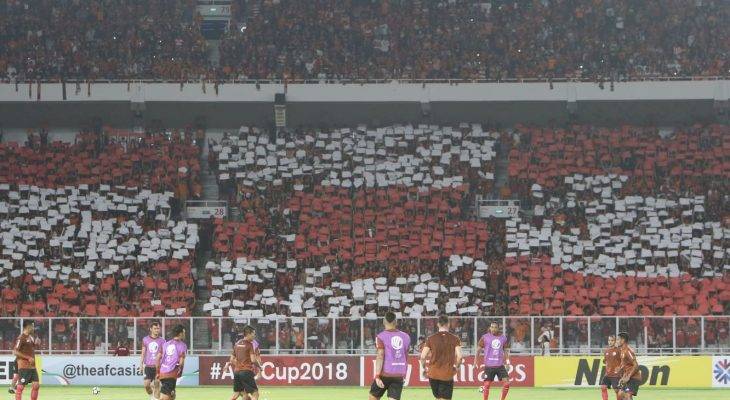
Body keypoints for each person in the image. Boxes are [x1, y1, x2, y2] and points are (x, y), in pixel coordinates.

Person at [369, 311, 411, 400]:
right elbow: (406, 356)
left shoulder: (380, 336)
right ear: (396, 322)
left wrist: (377, 375)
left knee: (373, 397)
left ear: (384, 322)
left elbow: (380, 356)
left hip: (384, 374)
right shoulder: (406, 337)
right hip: (399, 374)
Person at [420, 315, 462, 400]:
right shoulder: (455, 339)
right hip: (447, 374)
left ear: (438, 324)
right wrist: (457, 367)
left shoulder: (430, 339)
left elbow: (423, 356)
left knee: (438, 397)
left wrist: (424, 368)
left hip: (433, 374)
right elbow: (460, 357)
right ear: (448, 324)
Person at [474, 321, 510, 400]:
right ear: (490, 328)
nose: (493, 329)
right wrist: (475, 361)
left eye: (495, 327)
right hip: (489, 366)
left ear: (498, 328)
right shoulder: (485, 337)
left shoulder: (503, 338)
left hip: (500, 366)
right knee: (486, 385)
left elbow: (506, 350)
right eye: (492, 327)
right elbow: (478, 350)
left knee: (507, 384)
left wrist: (507, 362)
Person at [224, 325, 260, 400]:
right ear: (248, 334)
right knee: (255, 394)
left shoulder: (237, 344)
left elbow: (231, 359)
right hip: (246, 371)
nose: (254, 336)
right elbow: (253, 360)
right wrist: (260, 367)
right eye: (253, 334)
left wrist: (238, 365)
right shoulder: (249, 344)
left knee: (237, 394)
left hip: (237, 372)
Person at [157, 325, 187, 400]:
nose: (184, 334)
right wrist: (180, 371)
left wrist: (158, 372)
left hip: (162, 373)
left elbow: (157, 358)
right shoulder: (183, 345)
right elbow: (181, 361)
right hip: (171, 373)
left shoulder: (165, 344)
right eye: (184, 332)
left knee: (172, 395)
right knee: (165, 398)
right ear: (180, 334)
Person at [12, 320, 40, 400]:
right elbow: (15, 351)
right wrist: (28, 358)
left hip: (32, 366)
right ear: (28, 326)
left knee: (36, 385)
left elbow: (29, 349)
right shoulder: (21, 338)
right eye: (32, 326)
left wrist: (36, 344)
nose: (33, 328)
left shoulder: (30, 337)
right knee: (20, 387)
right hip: (24, 366)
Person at [141, 322, 166, 400]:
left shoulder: (163, 340)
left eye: (158, 328)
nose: (157, 330)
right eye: (155, 328)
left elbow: (165, 354)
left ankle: (156, 399)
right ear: (151, 329)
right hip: (148, 366)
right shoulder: (145, 339)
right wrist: (141, 364)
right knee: (146, 385)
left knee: (157, 383)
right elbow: (143, 352)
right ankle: (152, 397)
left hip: (158, 367)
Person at [616, 332, 642, 399]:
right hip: (628, 377)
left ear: (623, 340)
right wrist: (623, 376)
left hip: (634, 377)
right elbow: (625, 365)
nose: (617, 341)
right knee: (620, 395)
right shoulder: (622, 351)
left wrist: (628, 376)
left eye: (618, 339)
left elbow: (636, 365)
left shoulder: (628, 350)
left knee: (627, 395)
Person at [600, 335, 621, 400]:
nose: (610, 342)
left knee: (617, 390)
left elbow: (623, 360)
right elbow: (605, 361)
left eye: (612, 340)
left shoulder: (618, 350)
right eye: (609, 340)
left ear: (615, 341)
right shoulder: (606, 351)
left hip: (615, 374)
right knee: (603, 387)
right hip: (608, 374)